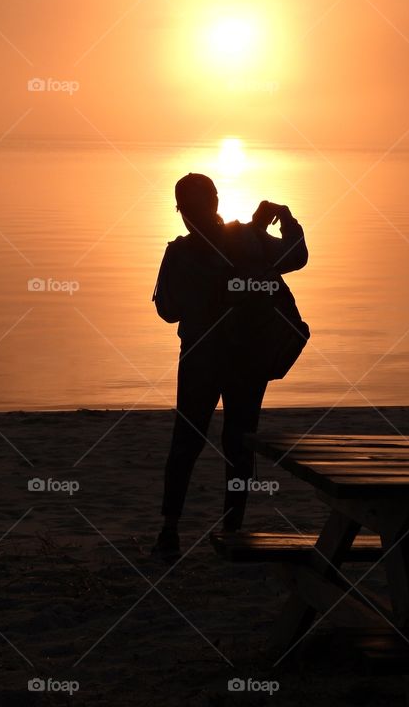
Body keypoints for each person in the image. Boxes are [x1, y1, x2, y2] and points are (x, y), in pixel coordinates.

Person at [151, 173, 308, 558]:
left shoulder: (180, 253)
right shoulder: (248, 239)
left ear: (181, 211)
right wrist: (286, 218)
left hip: (200, 359)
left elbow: (168, 311)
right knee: (239, 443)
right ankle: (232, 527)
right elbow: (297, 255)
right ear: (217, 201)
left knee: (186, 443)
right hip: (247, 358)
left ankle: (170, 531)